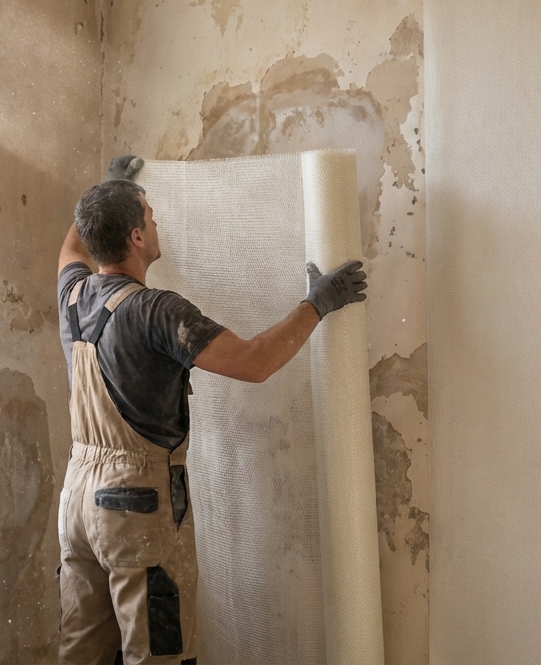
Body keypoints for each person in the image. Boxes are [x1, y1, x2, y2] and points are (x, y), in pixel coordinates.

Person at [55, 155, 367, 664]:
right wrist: (318, 304)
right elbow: (254, 362)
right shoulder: (155, 310)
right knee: (157, 651)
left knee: (82, 652)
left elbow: (73, 244)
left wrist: (109, 187)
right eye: (150, 217)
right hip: (133, 506)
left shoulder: (72, 295)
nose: (157, 224)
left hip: (77, 502)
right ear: (136, 237)